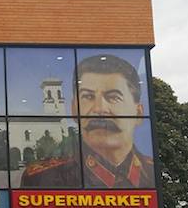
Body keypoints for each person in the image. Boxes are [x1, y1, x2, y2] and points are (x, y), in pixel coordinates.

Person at [21, 53, 155, 188]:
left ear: (138, 112)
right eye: (88, 96)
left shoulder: (152, 173)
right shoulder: (41, 179)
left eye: (113, 97)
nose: (99, 109)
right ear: (74, 110)